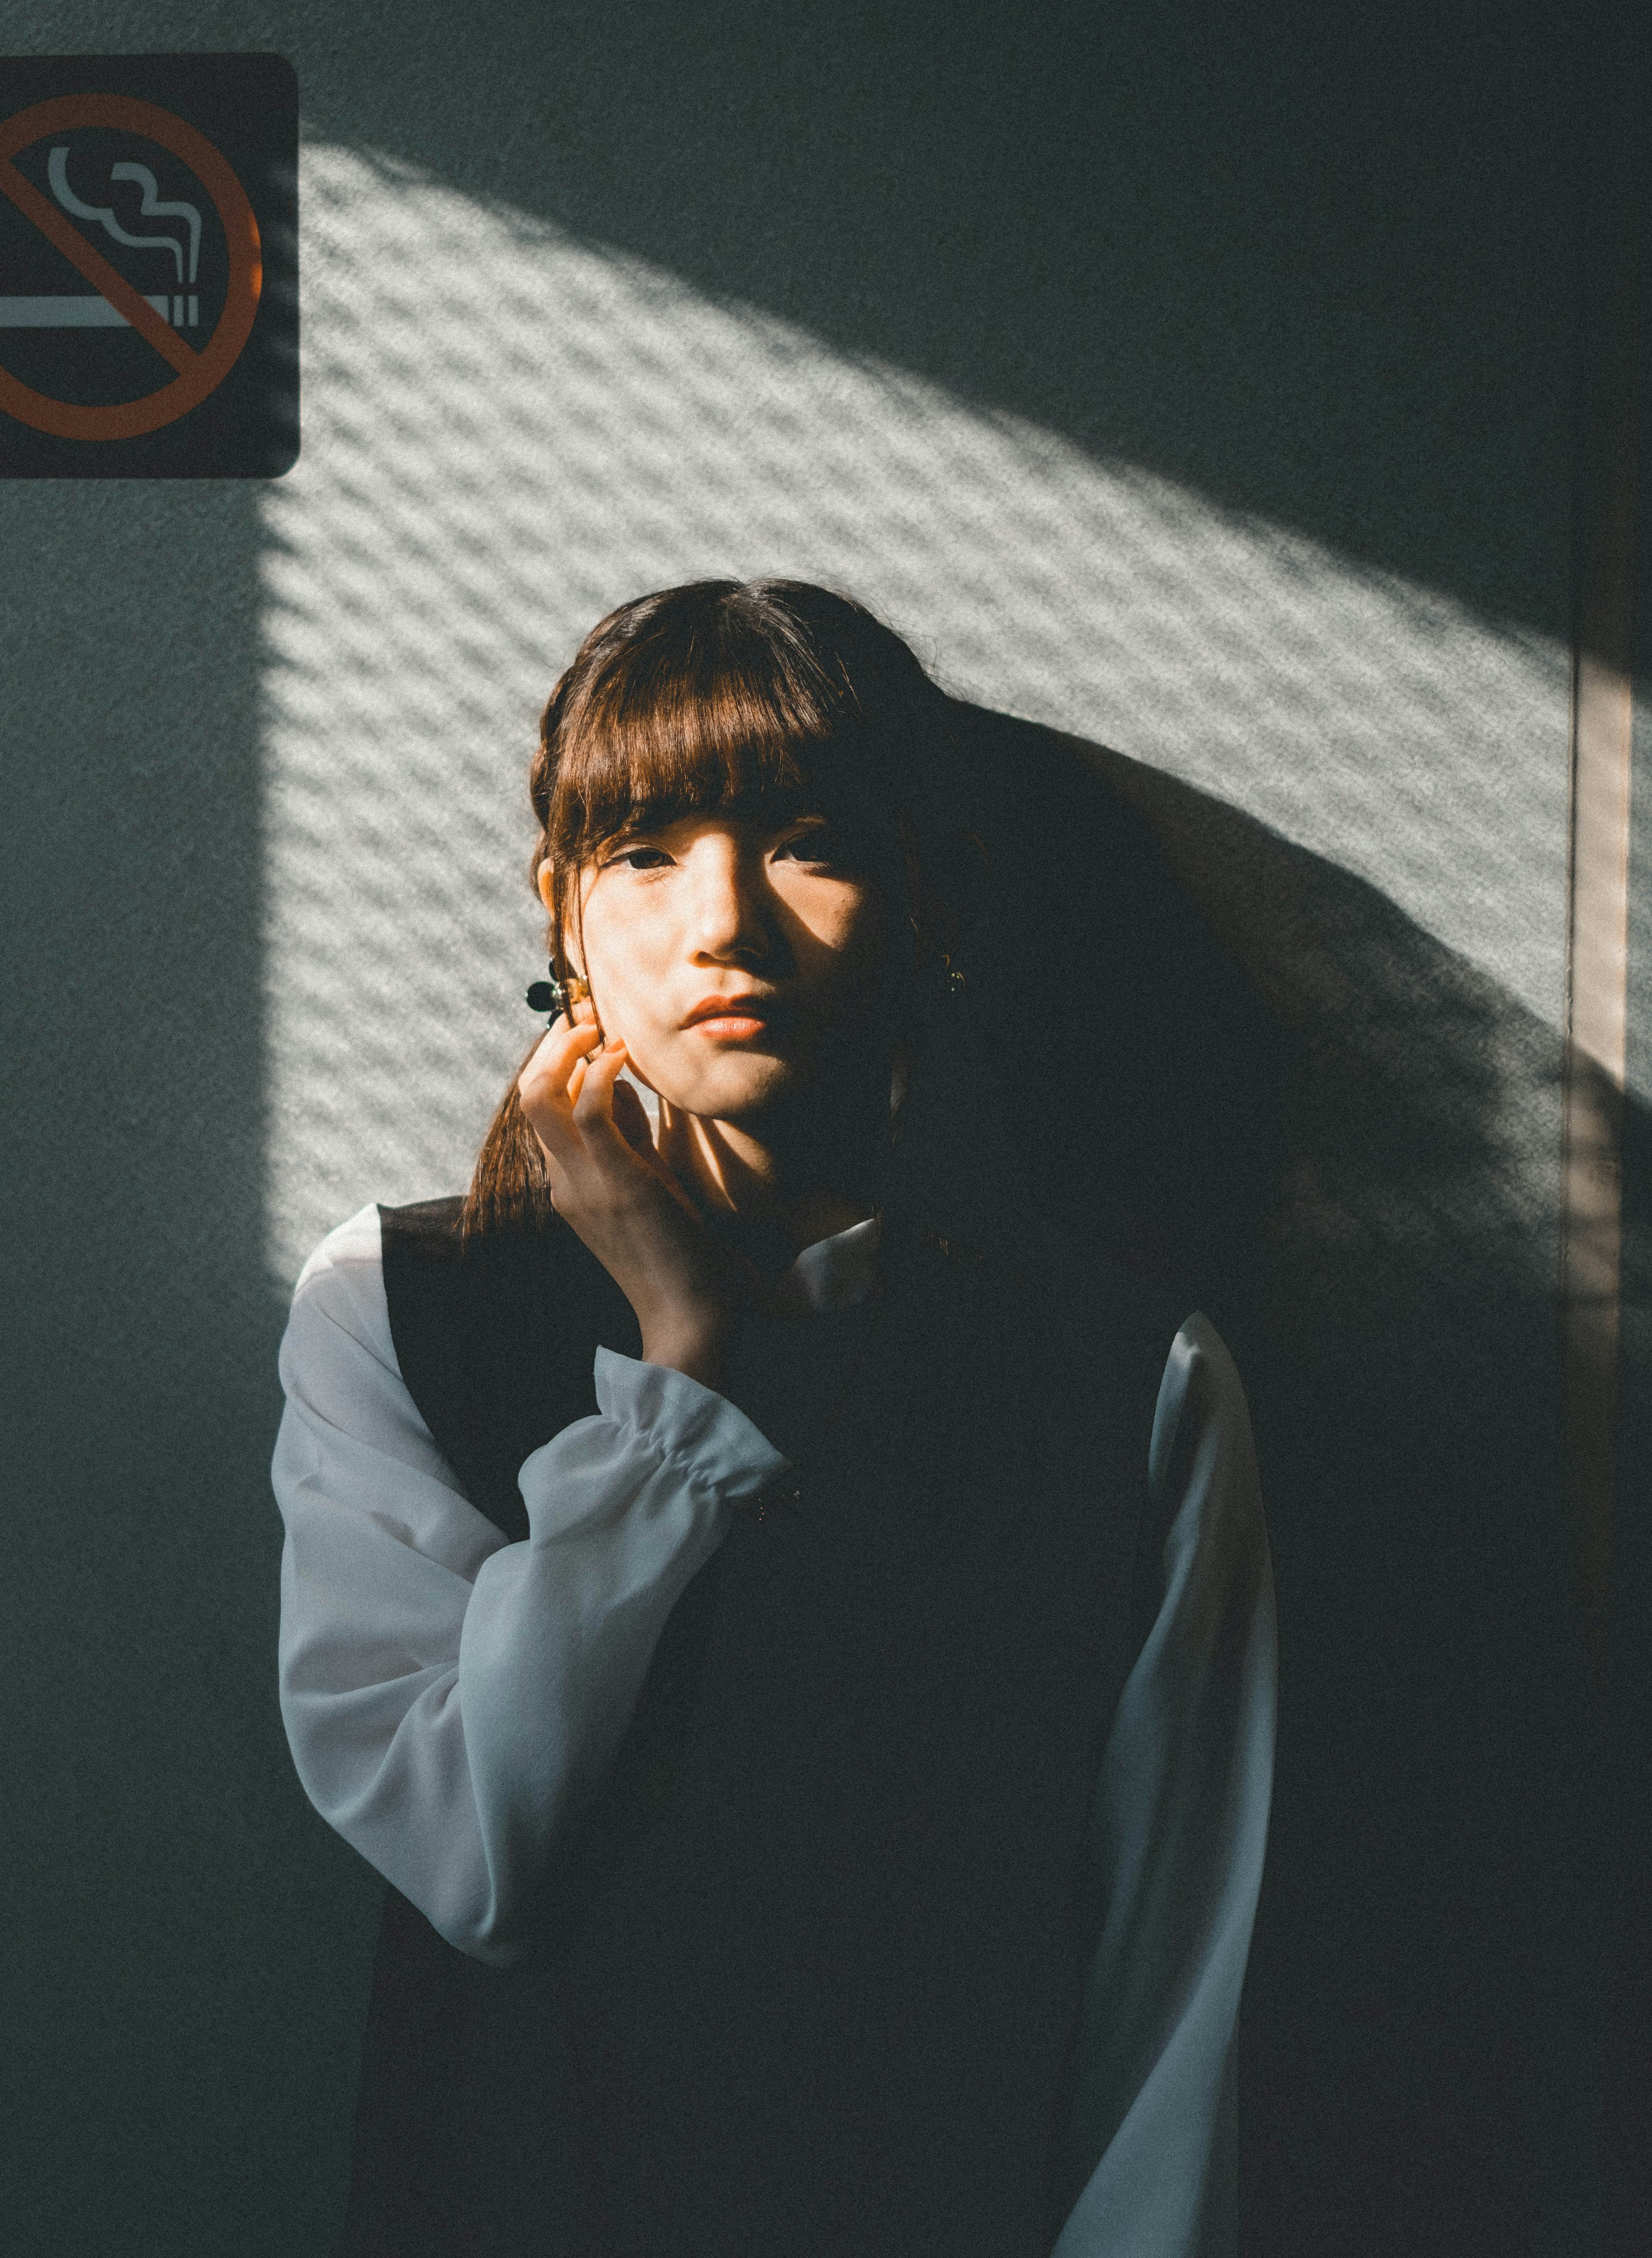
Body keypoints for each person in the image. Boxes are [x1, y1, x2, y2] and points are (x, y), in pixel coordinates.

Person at [272, 580, 1276, 2257]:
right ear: (560, 915)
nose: (722, 920)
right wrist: (681, 1358)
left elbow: (1165, 2013)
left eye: (807, 841)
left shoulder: (1134, 1379)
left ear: (926, 902)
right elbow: (480, 1859)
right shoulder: (393, 1303)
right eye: (646, 851)